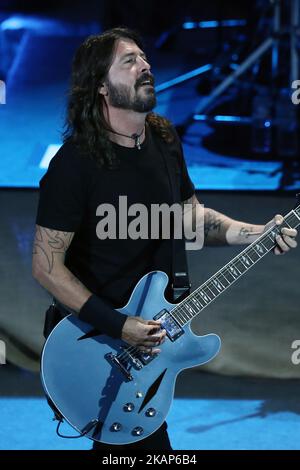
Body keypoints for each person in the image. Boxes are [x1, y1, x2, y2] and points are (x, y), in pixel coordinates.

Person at [32, 27, 298, 451]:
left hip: (153, 344)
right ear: (101, 85)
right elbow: (46, 265)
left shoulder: (163, 136)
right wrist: (120, 326)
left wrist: (258, 234)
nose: (145, 65)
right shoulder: (74, 164)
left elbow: (192, 217)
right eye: (129, 61)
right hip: (104, 348)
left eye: (144, 57)